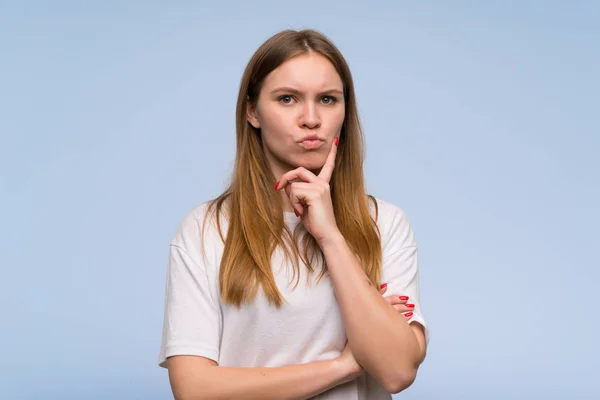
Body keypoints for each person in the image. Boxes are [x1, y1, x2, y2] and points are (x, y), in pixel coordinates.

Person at [158, 29, 429, 399]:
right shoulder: (206, 230)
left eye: (328, 99)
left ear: (345, 111)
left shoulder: (385, 223)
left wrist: (330, 236)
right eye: (287, 99)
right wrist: (346, 364)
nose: (311, 118)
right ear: (252, 111)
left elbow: (397, 371)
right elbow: (194, 390)